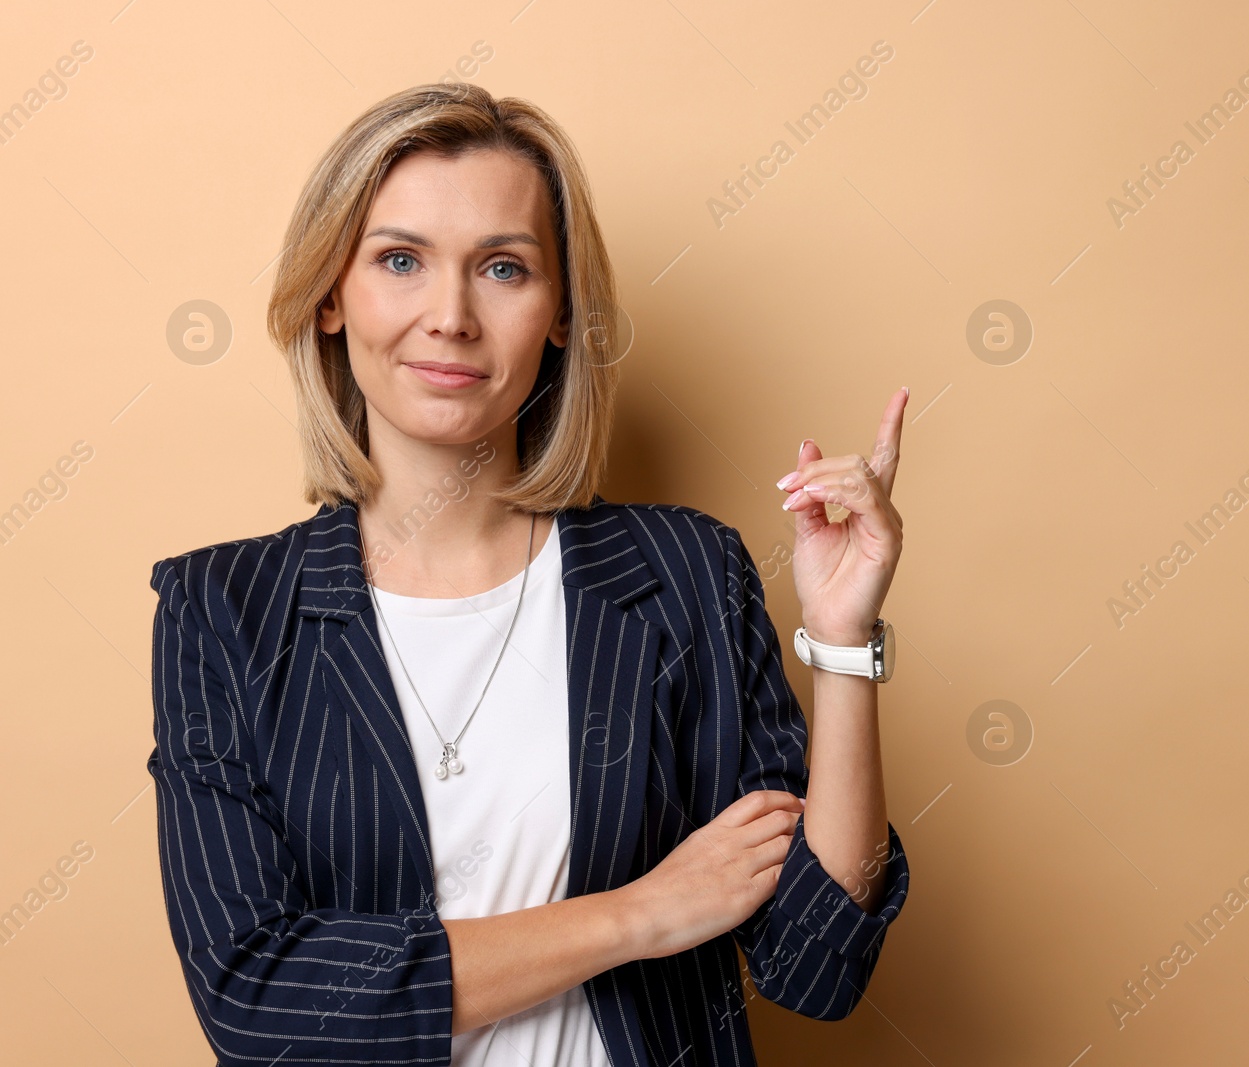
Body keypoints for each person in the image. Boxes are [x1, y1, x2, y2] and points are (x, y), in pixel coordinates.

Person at [146, 82, 910, 1067]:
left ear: (558, 314)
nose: (451, 315)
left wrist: (844, 641)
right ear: (333, 296)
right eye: (400, 260)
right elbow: (260, 1003)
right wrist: (637, 915)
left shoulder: (683, 574)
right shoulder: (225, 612)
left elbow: (817, 964)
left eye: (503, 267)